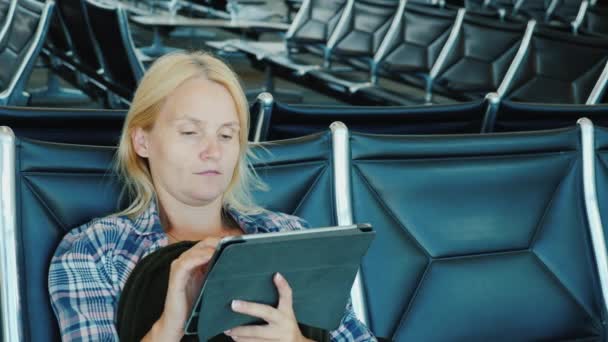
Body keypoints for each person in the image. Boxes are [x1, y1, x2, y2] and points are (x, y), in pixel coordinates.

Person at [48, 51, 377, 341]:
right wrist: (169, 326)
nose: (213, 151)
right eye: (190, 133)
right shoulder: (97, 251)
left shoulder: (291, 235)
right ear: (142, 141)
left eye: (226, 134)